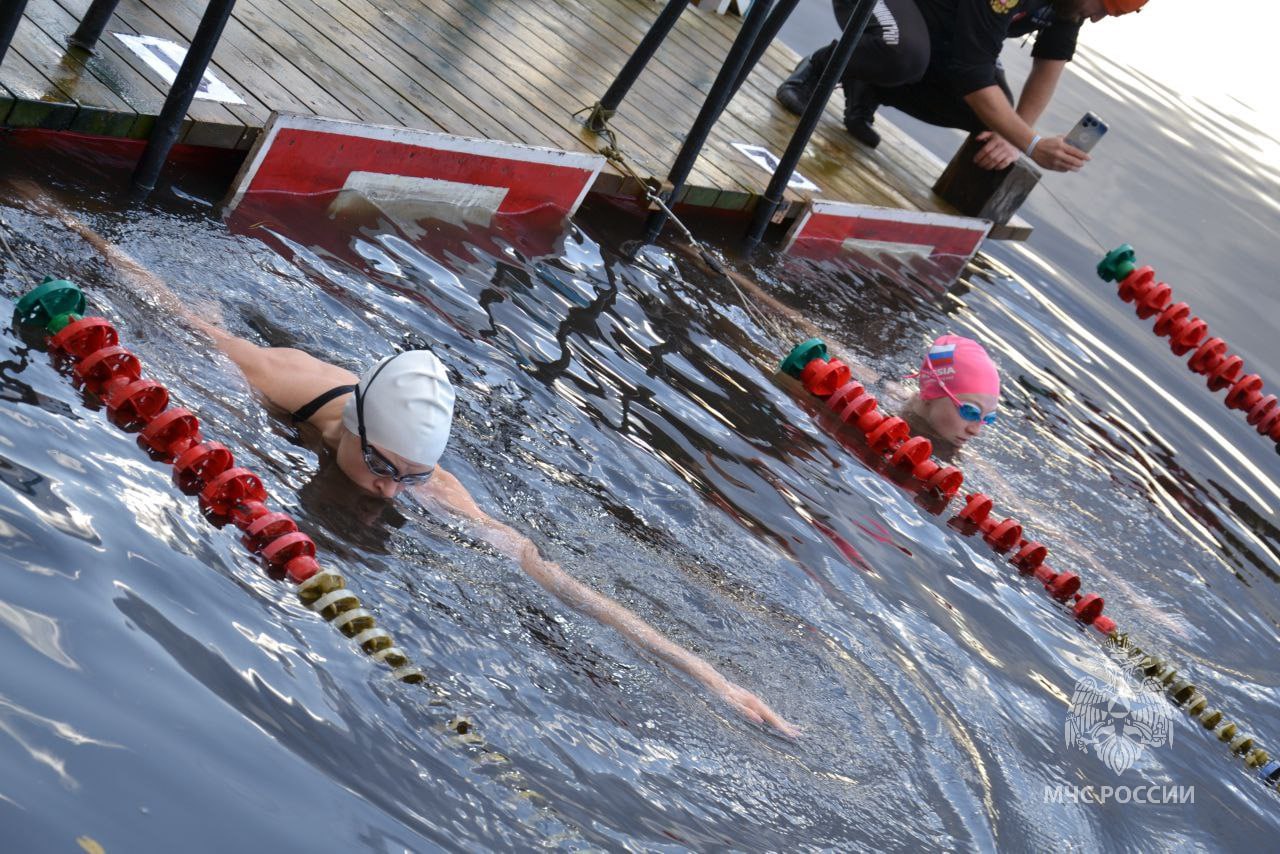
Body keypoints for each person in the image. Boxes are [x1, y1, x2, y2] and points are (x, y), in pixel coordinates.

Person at [13, 181, 798, 737]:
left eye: (410, 476)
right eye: (384, 468)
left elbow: (554, 579)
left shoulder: (430, 485)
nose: (393, 491)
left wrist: (711, 677)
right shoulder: (283, 383)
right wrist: (71, 229)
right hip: (278, 390)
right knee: (198, 335)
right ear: (351, 432)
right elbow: (167, 307)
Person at [776, 0, 1149, 171]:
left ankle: (869, 86)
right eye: (1104, 8)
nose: (1097, 19)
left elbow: (1050, 65)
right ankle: (819, 69)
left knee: (996, 122)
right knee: (904, 53)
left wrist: (1017, 135)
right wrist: (1032, 144)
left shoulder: (1069, 6)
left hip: (935, 28)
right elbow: (972, 76)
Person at [900, 334, 1001, 448]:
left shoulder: (957, 452)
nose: (975, 431)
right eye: (969, 412)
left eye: (988, 419)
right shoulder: (888, 402)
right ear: (931, 394)